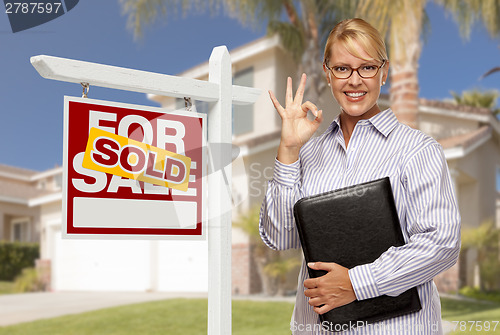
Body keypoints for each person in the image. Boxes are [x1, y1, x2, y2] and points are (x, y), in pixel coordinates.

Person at [259, 18, 460, 334]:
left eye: (366, 67)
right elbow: (281, 237)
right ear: (328, 73)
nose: (354, 80)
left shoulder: (417, 149)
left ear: (384, 72)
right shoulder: (307, 154)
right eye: (342, 69)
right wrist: (288, 149)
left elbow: (442, 242)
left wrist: (356, 283)